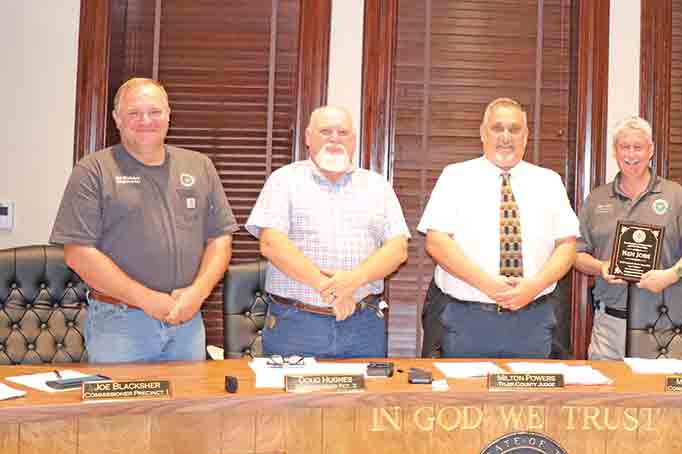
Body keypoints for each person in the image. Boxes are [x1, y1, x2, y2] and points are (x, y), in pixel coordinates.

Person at [50, 77, 237, 363]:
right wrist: (146, 299)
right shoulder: (93, 170)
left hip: (187, 324)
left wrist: (198, 293)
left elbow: (220, 240)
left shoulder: (200, 166)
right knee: (124, 409)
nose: (146, 120)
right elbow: (77, 253)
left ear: (169, 115)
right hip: (119, 325)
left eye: (155, 111)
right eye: (134, 113)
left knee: (187, 407)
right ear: (117, 119)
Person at [417, 97, 579, 358]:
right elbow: (436, 242)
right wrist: (490, 286)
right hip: (466, 320)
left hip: (533, 319)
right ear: (483, 133)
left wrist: (534, 286)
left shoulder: (549, 182)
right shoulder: (455, 177)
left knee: (532, 400)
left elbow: (567, 246)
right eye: (497, 128)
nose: (506, 137)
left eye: (515, 130)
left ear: (526, 136)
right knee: (463, 398)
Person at [245, 105, 409, 358]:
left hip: (363, 326)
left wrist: (355, 279)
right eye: (325, 131)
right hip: (296, 326)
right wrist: (330, 288)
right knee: (290, 399)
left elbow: (397, 249)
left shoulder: (378, 186)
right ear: (308, 138)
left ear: (353, 140)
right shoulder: (283, 181)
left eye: (342, 132)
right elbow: (271, 244)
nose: (334, 138)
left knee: (364, 399)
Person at [576, 116, 682, 360]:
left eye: (638, 147)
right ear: (615, 152)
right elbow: (575, 254)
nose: (631, 154)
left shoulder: (675, 195)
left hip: (665, 320)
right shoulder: (596, 199)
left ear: (650, 151)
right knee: (605, 396)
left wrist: (670, 275)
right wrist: (601, 267)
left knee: (659, 397)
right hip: (610, 324)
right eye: (624, 147)